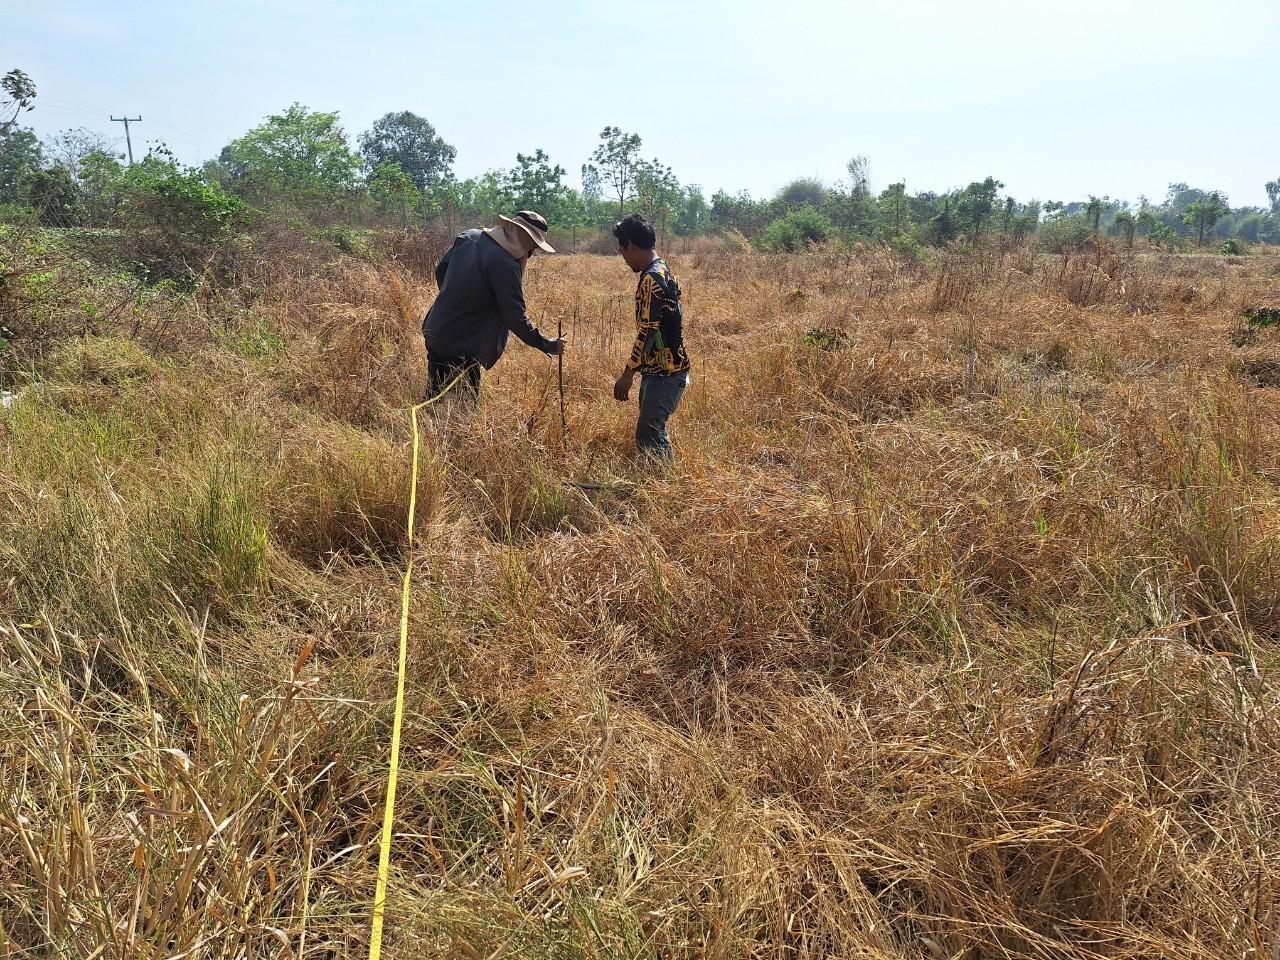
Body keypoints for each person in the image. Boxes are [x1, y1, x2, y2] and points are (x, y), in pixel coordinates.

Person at [423, 210, 565, 401]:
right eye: (533, 247)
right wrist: (548, 344)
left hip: (436, 328)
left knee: (436, 397)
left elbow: (441, 271)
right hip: (461, 346)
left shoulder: (469, 236)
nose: (531, 254)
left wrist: (456, 300)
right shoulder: (506, 265)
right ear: (526, 242)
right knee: (459, 406)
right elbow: (515, 317)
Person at [611, 213, 691, 461]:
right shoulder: (663, 270)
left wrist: (627, 374)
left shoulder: (650, 279)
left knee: (649, 436)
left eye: (623, 251)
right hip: (664, 370)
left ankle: (667, 489)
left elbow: (648, 330)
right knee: (651, 431)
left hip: (665, 373)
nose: (624, 257)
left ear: (632, 247)